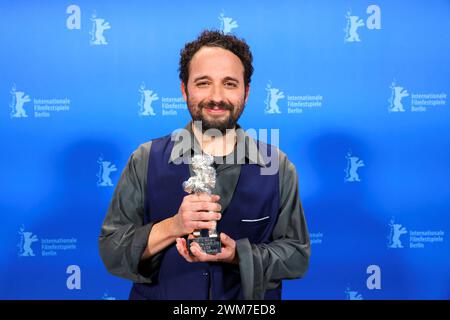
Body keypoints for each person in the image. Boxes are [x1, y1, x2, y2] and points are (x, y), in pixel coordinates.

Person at [98, 30, 310, 300]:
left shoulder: (277, 167)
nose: (217, 96)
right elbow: (111, 250)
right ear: (184, 89)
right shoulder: (145, 159)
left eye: (230, 84)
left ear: (246, 92)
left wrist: (238, 255)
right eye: (203, 83)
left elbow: (297, 256)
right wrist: (173, 226)